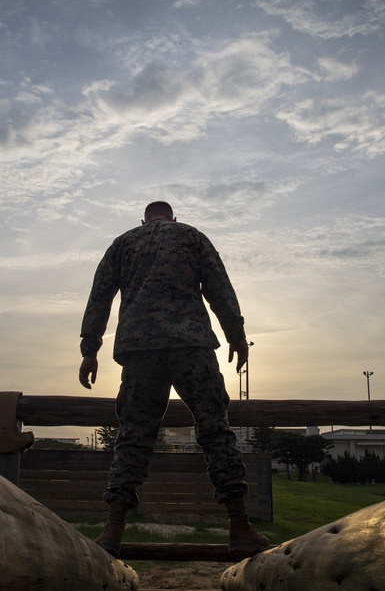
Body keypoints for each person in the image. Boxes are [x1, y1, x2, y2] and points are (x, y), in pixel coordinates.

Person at [78, 201, 269, 557]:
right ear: (173, 218)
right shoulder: (190, 236)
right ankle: (239, 526)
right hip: (191, 345)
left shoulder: (123, 243)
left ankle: (113, 529)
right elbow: (219, 289)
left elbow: (99, 297)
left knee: (133, 435)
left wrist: (90, 350)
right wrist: (237, 337)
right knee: (215, 429)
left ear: (143, 220)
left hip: (140, 350)